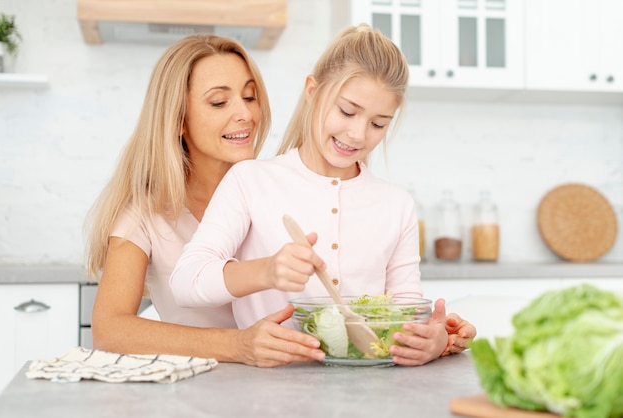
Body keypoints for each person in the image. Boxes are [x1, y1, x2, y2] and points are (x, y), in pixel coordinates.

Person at [169, 24, 476, 366]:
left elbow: (404, 312)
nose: (358, 134)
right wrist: (267, 271)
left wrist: (430, 340)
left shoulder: (397, 205)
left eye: (378, 124)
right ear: (312, 91)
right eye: (346, 111)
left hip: (370, 391)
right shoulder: (251, 181)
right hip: (270, 391)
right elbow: (186, 281)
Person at [84, 34, 326, 367]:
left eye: (250, 96)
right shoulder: (144, 213)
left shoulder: (279, 189)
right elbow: (109, 330)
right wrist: (238, 345)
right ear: (179, 120)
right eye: (219, 102)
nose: (245, 114)